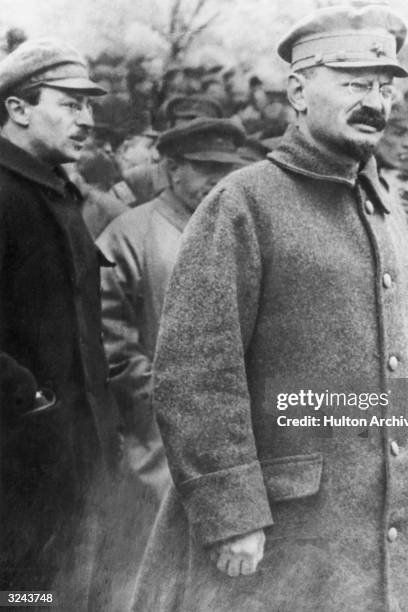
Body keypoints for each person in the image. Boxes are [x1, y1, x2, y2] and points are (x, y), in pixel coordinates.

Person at [132, 3, 408, 611]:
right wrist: (232, 512)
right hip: (281, 536)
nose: (375, 101)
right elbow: (195, 374)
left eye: (384, 86)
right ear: (298, 90)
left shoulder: (392, 215)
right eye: (354, 82)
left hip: (382, 528)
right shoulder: (243, 202)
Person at [94, 117, 245, 610]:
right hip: (154, 439)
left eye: (227, 169)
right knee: (147, 571)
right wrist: (170, 407)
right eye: (205, 169)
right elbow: (111, 346)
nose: (218, 181)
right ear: (172, 168)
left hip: (233, 437)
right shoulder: (129, 234)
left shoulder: (240, 232)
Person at [0, 37, 120, 605]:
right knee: (23, 598)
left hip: (72, 456)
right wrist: (31, 401)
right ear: (18, 109)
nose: (87, 120)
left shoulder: (56, 192)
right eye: (70, 104)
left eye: (89, 106)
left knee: (63, 596)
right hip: (18, 461)